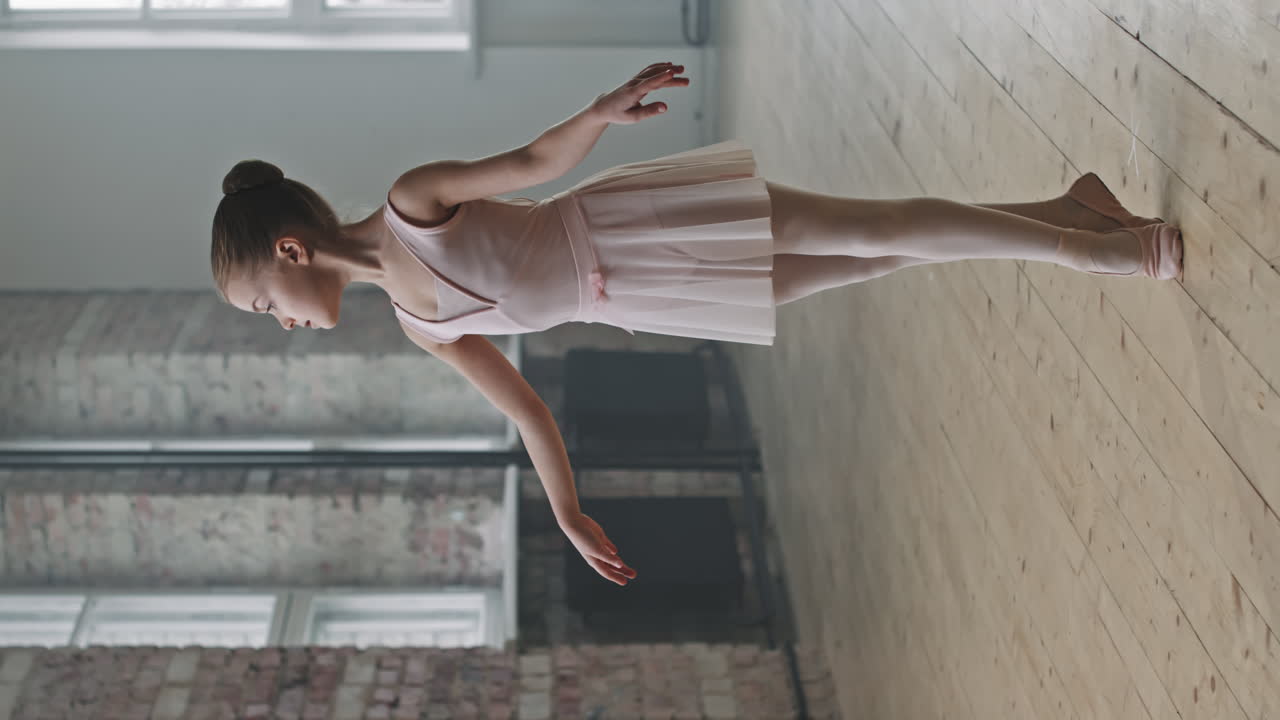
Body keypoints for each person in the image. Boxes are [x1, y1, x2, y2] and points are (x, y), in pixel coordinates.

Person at [210, 61, 1183, 587]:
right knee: (872, 260)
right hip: (637, 298)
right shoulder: (418, 327)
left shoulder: (410, 202)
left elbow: (529, 165)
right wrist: (566, 510)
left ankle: (1082, 249)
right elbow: (527, 414)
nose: (276, 322)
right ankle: (1069, 209)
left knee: (870, 227)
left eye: (262, 304)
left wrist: (599, 112)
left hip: (633, 223)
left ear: (289, 254)